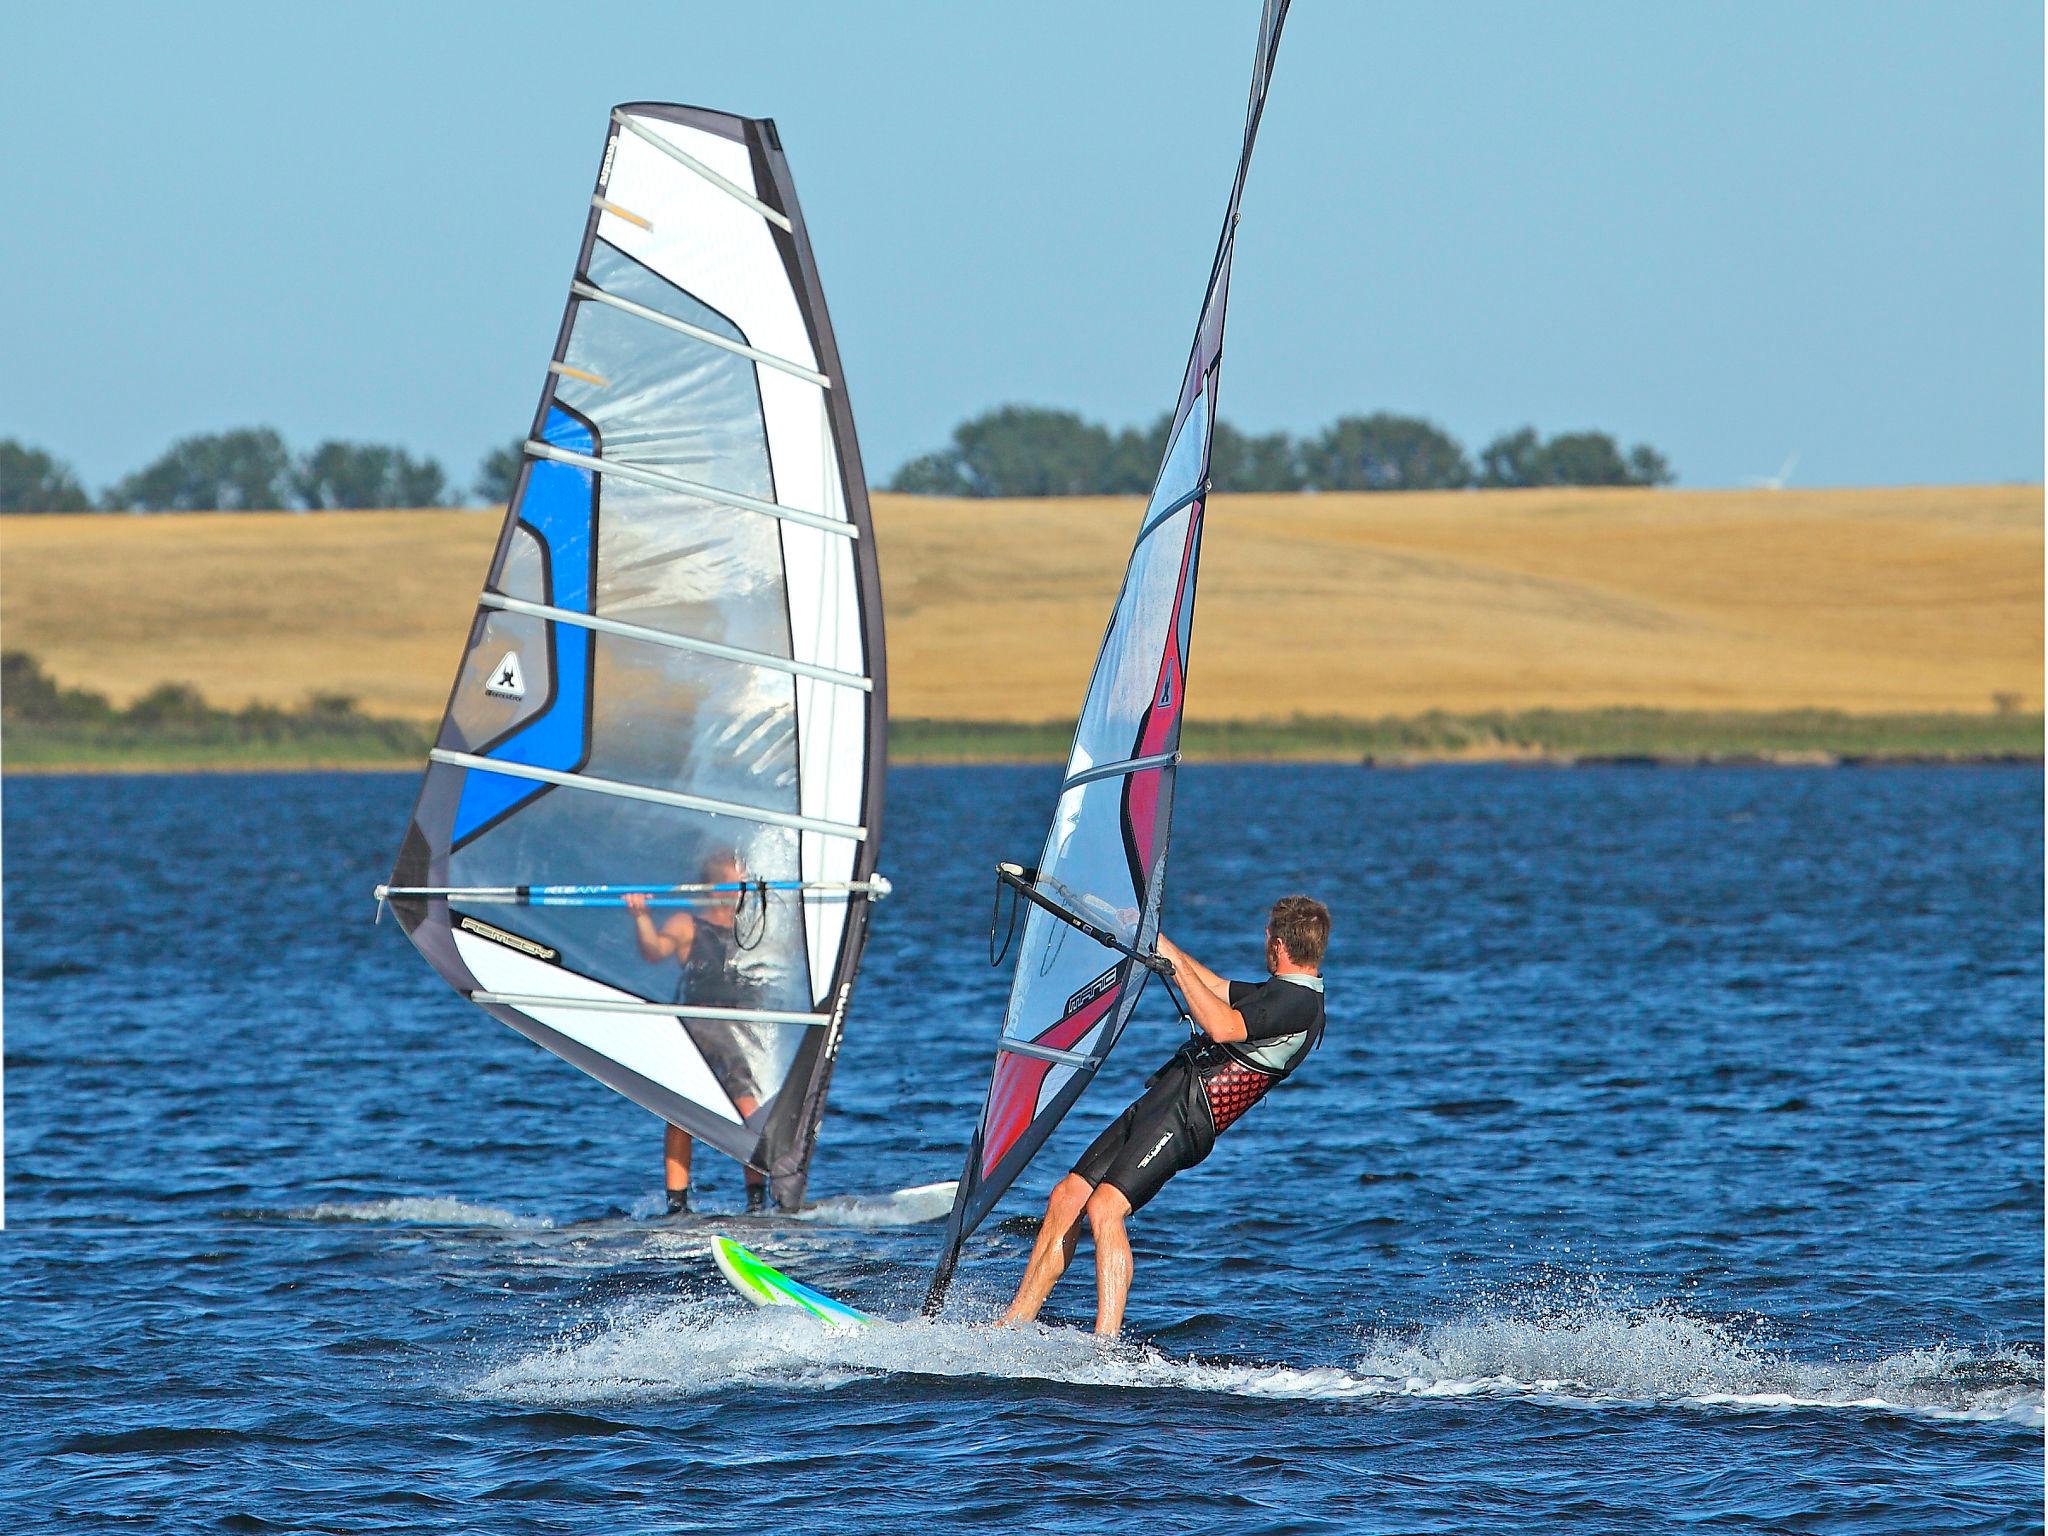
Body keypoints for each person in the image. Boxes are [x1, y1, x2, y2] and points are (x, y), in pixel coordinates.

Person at [998, 895, 1330, 1337]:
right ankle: (1013, 1323)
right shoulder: (1281, 992)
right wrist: (1153, 936)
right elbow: (1211, 985)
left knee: (1105, 1208)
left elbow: (1223, 1026)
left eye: (1268, 934)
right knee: (1067, 1197)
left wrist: (1173, 966)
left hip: (1190, 1117)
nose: (1264, 940)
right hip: (1167, 1099)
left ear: (1279, 944)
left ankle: (1105, 1343)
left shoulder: (1302, 1004)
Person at [624, 851, 769, 1215]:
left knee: (750, 1110)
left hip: (740, 1030)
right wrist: (641, 916)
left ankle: (757, 1200)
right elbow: (655, 951)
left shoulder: (755, 927)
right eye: (732, 883)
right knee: (680, 1111)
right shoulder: (688, 923)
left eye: (743, 884)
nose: (740, 891)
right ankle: (677, 1204)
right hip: (698, 1028)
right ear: (713, 887)